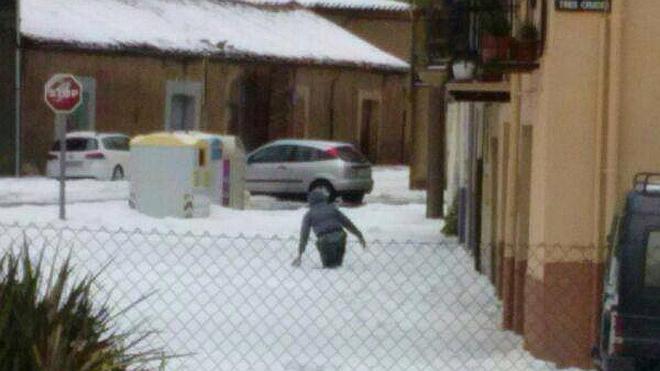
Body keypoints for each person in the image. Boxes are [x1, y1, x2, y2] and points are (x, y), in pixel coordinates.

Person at [292, 190, 366, 268]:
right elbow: (347, 223)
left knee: (329, 268)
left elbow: (304, 235)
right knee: (337, 266)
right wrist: (359, 235)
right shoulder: (332, 209)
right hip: (340, 236)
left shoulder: (309, 215)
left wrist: (300, 253)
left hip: (325, 239)